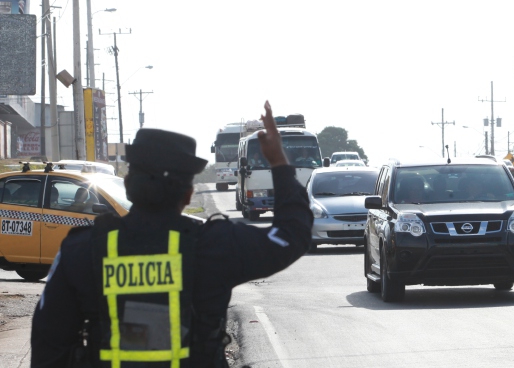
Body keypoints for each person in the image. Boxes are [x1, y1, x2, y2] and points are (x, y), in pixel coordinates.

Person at [30, 101, 313, 367]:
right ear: (189, 194)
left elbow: (48, 344)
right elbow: (291, 235)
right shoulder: (215, 245)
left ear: (127, 186)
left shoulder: (81, 250)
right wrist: (279, 162)